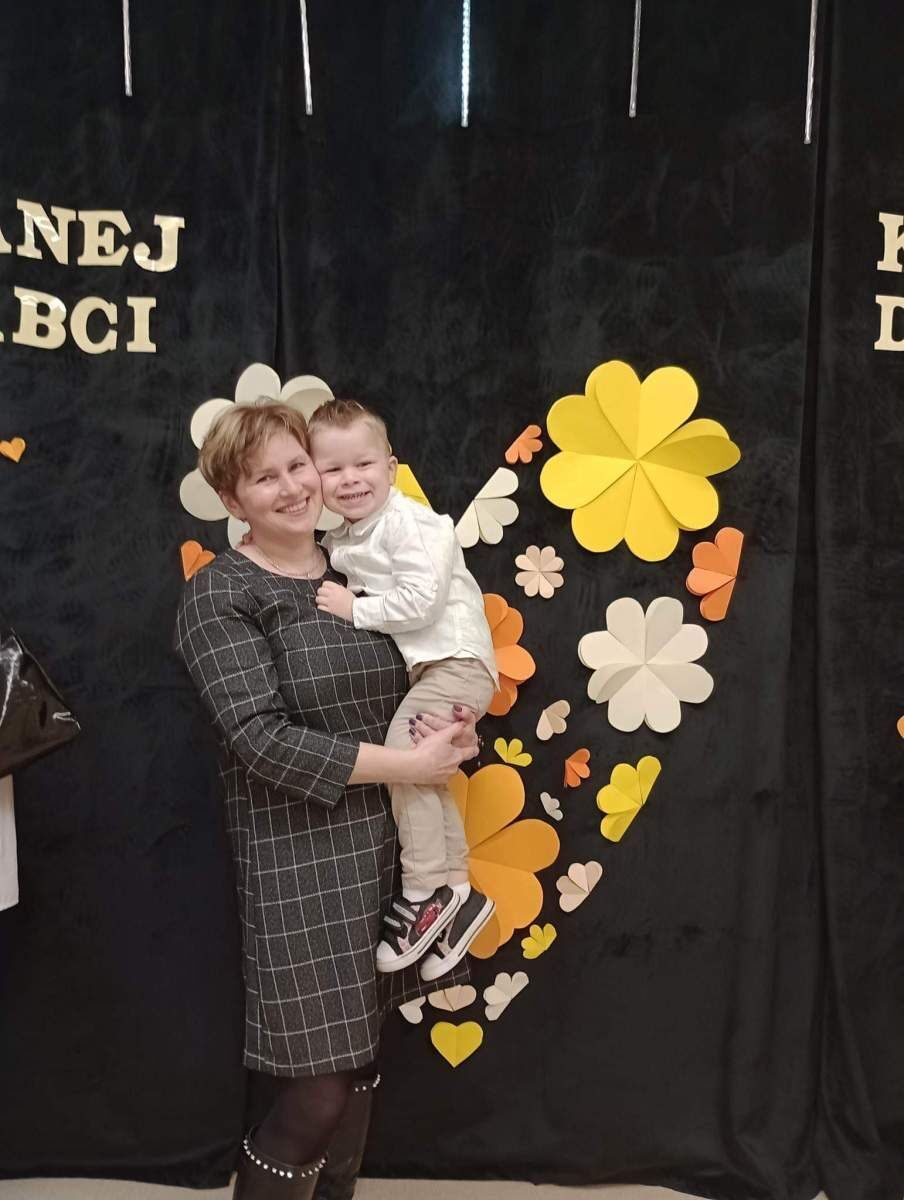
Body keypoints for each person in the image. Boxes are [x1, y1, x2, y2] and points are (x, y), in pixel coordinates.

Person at [175, 401, 478, 1200]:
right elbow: (262, 741)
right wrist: (410, 762)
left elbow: (426, 663)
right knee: (317, 1091)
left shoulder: (358, 566)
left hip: (385, 847)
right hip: (298, 865)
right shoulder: (220, 595)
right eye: (263, 478)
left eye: (296, 465)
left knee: (359, 1069)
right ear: (233, 500)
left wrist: (450, 724)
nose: (291, 487)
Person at [307, 400, 498, 982]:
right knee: (426, 770)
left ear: (390, 467)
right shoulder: (347, 534)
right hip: (437, 670)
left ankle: (422, 890)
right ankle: (460, 891)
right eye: (332, 469)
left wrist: (355, 609)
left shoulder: (411, 523)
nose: (350, 480)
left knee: (404, 759)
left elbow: (422, 601)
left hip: (456, 662)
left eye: (363, 464)